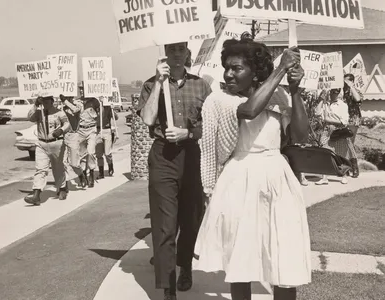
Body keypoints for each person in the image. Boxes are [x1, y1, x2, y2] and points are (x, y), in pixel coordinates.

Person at [195, 38, 311, 300]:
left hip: (276, 179)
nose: (228, 74)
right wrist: (281, 70)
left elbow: (299, 135)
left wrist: (294, 90)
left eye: (237, 68)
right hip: (239, 178)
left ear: (255, 71)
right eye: (227, 67)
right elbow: (248, 111)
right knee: (241, 258)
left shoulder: (278, 95)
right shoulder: (221, 99)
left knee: (283, 254)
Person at [138, 42, 212, 300]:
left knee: (191, 219)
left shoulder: (200, 85)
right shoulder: (151, 84)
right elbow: (148, 119)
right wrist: (159, 82)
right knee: (165, 224)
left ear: (188, 52)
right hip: (162, 156)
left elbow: (208, 125)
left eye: (181, 50)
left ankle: (185, 266)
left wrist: (188, 132)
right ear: (165, 53)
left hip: (190, 153)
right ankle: (168, 286)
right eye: (172, 50)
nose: (177, 55)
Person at [24, 95, 70, 205]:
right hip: (42, 143)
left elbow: (67, 124)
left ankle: (62, 187)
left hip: (56, 143)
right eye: (43, 101)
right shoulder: (39, 113)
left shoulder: (59, 113)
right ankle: (36, 194)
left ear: (52, 101)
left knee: (58, 168)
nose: (45, 103)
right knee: (40, 169)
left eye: (47, 100)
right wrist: (35, 104)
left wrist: (61, 130)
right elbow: (30, 117)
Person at [314, 88, 350, 185]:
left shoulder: (342, 105)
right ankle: (324, 177)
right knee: (325, 152)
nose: (333, 94)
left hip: (338, 130)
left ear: (339, 93)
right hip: (326, 130)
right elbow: (317, 113)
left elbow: (344, 121)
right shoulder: (325, 103)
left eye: (336, 92)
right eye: (331, 92)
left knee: (340, 153)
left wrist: (328, 119)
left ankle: (343, 175)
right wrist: (321, 99)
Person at [60, 94, 88, 188]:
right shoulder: (61, 109)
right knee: (63, 161)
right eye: (66, 97)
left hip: (73, 135)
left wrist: (65, 101)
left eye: (69, 97)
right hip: (63, 135)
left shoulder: (78, 105)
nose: (68, 99)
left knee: (74, 162)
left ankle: (81, 175)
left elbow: (75, 110)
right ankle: (65, 184)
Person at [342, 73, 363, 177]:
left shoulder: (355, 90)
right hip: (342, 120)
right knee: (344, 143)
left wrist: (351, 87)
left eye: (346, 81)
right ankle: (347, 166)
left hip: (353, 120)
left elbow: (358, 99)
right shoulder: (342, 91)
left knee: (350, 142)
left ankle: (354, 167)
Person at [96, 98, 118, 179]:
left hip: (106, 130)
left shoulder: (107, 106)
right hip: (97, 131)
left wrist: (113, 109)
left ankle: (110, 167)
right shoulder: (95, 106)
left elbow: (116, 118)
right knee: (98, 154)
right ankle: (101, 172)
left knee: (107, 152)